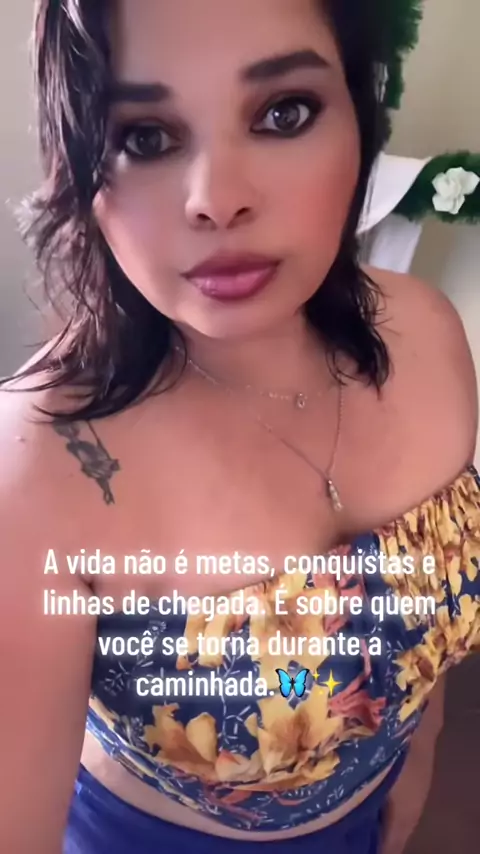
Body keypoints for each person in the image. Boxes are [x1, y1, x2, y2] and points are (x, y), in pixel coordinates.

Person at [1, 1, 479, 852]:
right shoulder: (38, 470)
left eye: (284, 113)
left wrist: (416, 765)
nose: (216, 201)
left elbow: (417, 641)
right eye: (146, 136)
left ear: (360, 118)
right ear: (81, 169)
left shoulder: (429, 333)